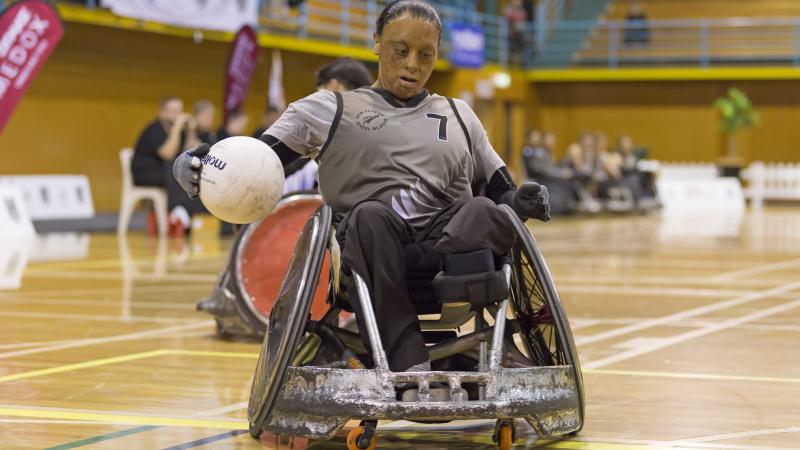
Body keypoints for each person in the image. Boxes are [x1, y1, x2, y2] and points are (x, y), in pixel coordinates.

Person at [174, 0, 549, 398]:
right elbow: (256, 162)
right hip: (373, 247)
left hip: (450, 247)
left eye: (426, 55)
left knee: (483, 209)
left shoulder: (458, 114)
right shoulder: (329, 109)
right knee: (370, 215)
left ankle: (499, 345)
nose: (412, 65)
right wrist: (205, 163)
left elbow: (499, 189)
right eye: (400, 50)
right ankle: (410, 363)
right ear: (376, 44)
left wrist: (521, 199)